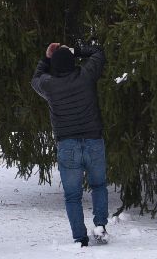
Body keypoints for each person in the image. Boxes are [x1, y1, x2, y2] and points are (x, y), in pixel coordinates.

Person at [31, 41, 108, 247]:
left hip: (67, 145)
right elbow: (98, 52)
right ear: (73, 62)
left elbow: (35, 79)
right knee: (99, 186)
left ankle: (80, 238)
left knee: (73, 196)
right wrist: (73, 50)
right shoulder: (86, 76)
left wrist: (47, 57)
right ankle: (100, 226)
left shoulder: (49, 85)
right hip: (94, 141)